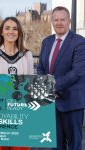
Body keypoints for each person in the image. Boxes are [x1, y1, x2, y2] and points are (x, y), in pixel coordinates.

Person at [37, 6, 85, 150]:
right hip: (51, 103)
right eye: (56, 19)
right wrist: (46, 88)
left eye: (62, 19)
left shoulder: (79, 42)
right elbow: (40, 68)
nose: (59, 23)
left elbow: (77, 72)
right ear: (51, 21)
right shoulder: (47, 42)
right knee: (55, 145)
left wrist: (51, 87)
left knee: (74, 144)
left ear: (69, 20)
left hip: (72, 102)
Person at [0, 17, 34, 150]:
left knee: (20, 147)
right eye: (7, 28)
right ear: (1, 32)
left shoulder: (27, 55)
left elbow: (30, 84)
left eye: (15, 28)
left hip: (20, 110)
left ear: (19, 33)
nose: (11, 31)